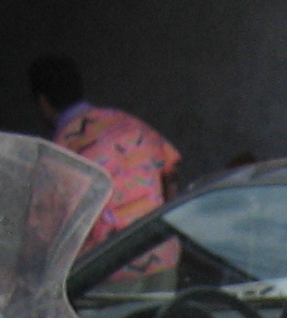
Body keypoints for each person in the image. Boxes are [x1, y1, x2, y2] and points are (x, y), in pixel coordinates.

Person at [29, 54, 179, 248]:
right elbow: (171, 176)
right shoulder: (130, 125)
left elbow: (45, 229)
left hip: (108, 262)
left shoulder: (61, 153)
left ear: (42, 102)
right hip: (160, 253)